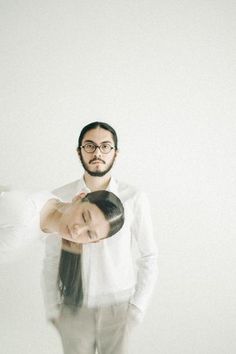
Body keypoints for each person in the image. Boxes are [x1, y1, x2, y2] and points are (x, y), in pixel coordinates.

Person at [42, 122, 158, 354]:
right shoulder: (60, 196)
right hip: (73, 307)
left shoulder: (133, 197)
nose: (97, 153)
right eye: (90, 146)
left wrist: (137, 308)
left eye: (106, 146)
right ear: (79, 152)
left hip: (118, 308)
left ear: (115, 153)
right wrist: (53, 307)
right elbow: (52, 256)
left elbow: (149, 255)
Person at [0, 190, 124, 263]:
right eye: (84, 217)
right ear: (79, 198)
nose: (78, 230)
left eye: (89, 234)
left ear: (94, 241)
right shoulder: (22, 210)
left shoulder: (48, 242)